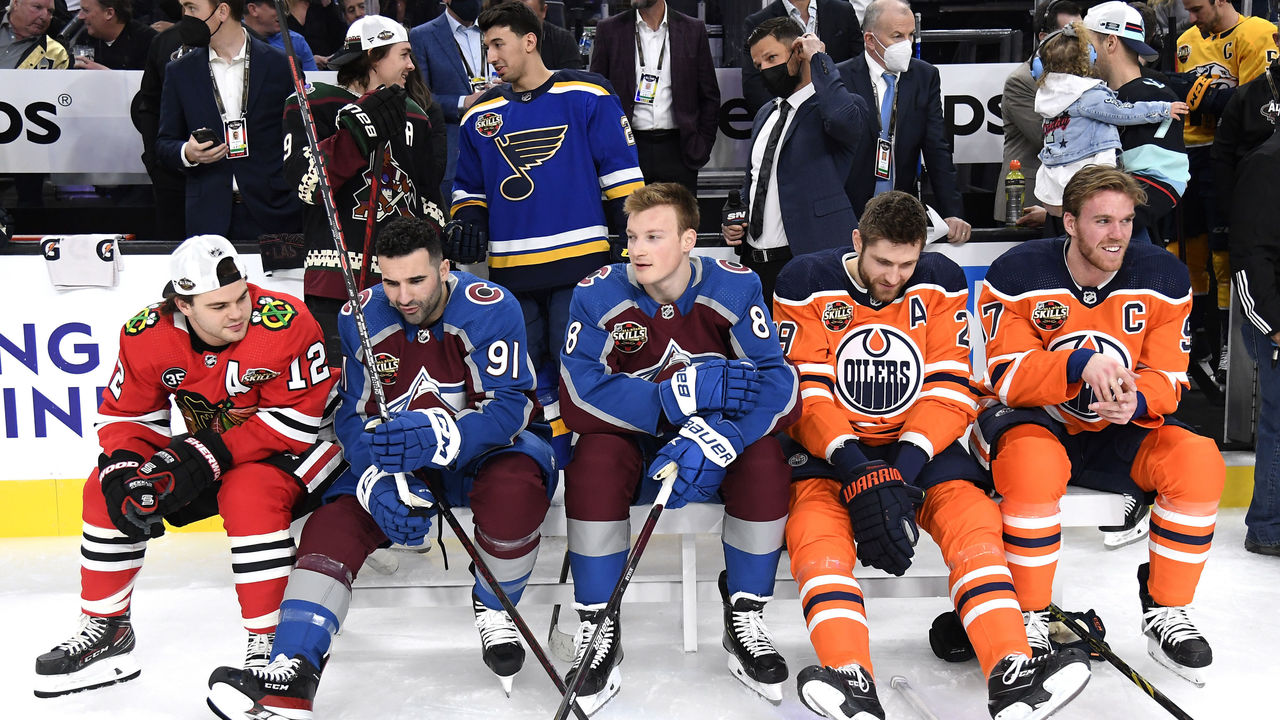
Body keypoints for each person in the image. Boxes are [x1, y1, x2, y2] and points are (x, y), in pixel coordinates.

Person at [205, 216, 555, 717]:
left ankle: (495, 606)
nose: (403, 296)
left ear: (445, 268)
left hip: (486, 451)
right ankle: (294, 670)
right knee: (334, 520)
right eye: (390, 281)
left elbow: (510, 406)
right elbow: (351, 416)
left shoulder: (491, 307)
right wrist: (376, 477)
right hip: (397, 459)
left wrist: (440, 434)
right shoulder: (361, 314)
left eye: (416, 280)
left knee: (517, 487)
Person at [773, 190, 1090, 720]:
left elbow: (949, 386)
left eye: (906, 262)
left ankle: (1012, 672)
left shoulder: (939, 279)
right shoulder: (804, 281)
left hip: (918, 449)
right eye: (882, 262)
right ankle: (849, 675)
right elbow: (807, 393)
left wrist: (899, 473)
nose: (894, 275)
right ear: (857, 241)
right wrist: (858, 469)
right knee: (814, 532)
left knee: (974, 521)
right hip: (831, 453)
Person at [33, 235, 344, 699]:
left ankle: (270, 646)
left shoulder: (284, 322)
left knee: (249, 493)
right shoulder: (148, 335)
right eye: (219, 306)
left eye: (241, 296)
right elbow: (128, 417)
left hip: (315, 443)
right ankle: (108, 629)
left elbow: (293, 424)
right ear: (183, 304)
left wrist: (201, 457)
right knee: (105, 488)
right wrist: (124, 465)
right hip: (223, 448)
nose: (237, 312)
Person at [972, 164, 1225, 687]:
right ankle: (1032, 614)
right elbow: (1008, 375)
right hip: (1037, 422)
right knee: (1032, 467)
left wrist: (1136, 400)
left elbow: (1170, 379)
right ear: (1068, 223)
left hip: (1118, 432)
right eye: (1102, 221)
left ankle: (1166, 608)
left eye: (1126, 222)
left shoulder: (1163, 275)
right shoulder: (1018, 272)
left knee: (1198, 460)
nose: (1117, 235)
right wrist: (1075, 364)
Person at [558, 182, 799, 713]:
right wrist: (675, 397)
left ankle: (745, 614)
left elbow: (779, 384)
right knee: (592, 462)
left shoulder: (734, 288)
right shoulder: (597, 293)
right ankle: (598, 625)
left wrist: (727, 434)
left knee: (764, 461)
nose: (637, 250)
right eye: (631, 237)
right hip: (637, 447)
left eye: (653, 236)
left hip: (712, 449)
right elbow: (577, 395)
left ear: (689, 240)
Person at [450, 1, 643, 392]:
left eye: (499, 44)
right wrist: (468, 218)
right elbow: (469, 186)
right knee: (521, 382)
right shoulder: (479, 113)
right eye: (487, 47)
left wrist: (631, 235)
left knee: (580, 374)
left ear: (530, 41)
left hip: (580, 265)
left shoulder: (588, 93)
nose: (492, 57)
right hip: (509, 273)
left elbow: (621, 175)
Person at [284, 14, 447, 362]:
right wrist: (356, 134)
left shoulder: (416, 115)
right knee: (338, 388)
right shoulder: (313, 101)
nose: (411, 65)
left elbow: (429, 203)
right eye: (403, 55)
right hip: (336, 283)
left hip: (403, 288)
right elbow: (308, 184)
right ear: (374, 56)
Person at [1172, 0, 1278, 386]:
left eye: (1198, 8)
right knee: (1186, 252)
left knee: (1224, 255)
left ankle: (1228, 352)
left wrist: (1210, 98)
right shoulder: (1186, 39)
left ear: (1222, 1)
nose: (1192, 19)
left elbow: (1256, 103)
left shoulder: (1257, 33)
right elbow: (1183, 99)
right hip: (1187, 155)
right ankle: (1195, 347)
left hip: (1231, 155)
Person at [723, 18, 867, 301]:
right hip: (756, 264)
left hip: (813, 260)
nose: (764, 69)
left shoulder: (842, 106)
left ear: (798, 52)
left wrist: (819, 59)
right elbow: (756, 179)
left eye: (771, 57)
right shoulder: (766, 113)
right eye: (758, 64)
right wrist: (735, 216)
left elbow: (842, 120)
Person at [156, 0, 304, 241]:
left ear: (222, 11)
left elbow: (301, 139)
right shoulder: (180, 71)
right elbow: (164, 143)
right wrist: (189, 152)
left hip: (276, 212)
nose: (185, 16)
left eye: (192, 8)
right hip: (208, 216)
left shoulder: (281, 65)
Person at [837, 0, 971, 244]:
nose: (906, 44)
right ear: (869, 40)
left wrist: (952, 212)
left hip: (900, 214)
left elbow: (937, 148)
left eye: (910, 35)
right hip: (847, 212)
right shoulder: (839, 78)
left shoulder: (924, 76)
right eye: (897, 36)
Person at [1031, 21, 1188, 216]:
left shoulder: (1046, 96)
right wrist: (1163, 109)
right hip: (1091, 176)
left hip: (1054, 181)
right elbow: (1123, 113)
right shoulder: (1088, 94)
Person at [588, 0, 719, 194]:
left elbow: (709, 96)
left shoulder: (693, 29)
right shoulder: (609, 30)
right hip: (628, 149)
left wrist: (701, 146)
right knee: (630, 222)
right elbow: (596, 94)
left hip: (679, 150)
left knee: (679, 222)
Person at [1084, 1, 1189, 244]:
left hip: (1125, 246)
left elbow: (1161, 186)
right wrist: (1058, 211)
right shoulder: (1092, 98)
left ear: (1110, 42)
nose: (1081, 53)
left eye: (1087, 44)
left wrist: (1089, 217)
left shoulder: (1155, 98)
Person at [1230, 123, 1280, 557]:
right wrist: (1275, 324)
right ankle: (1268, 527)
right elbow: (1249, 255)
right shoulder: (1266, 162)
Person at [996, 0, 1082, 228]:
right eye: (1071, 36)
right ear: (1044, 37)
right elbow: (1051, 139)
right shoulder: (1021, 81)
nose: (1079, 43)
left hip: (1072, 196)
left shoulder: (1087, 78)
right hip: (1028, 199)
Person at [410, 0, 493, 201]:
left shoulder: (496, 29)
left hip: (498, 141)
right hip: (453, 148)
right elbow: (419, 95)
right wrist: (463, 102)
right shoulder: (422, 36)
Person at [740, 0, 861, 115]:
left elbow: (859, 66)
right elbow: (754, 87)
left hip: (842, 111)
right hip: (789, 118)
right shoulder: (757, 22)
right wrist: (786, 116)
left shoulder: (843, 11)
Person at [74, 0, 157, 69]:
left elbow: (148, 85)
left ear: (109, 13)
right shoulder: (85, 39)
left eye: (86, 11)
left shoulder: (148, 40)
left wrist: (105, 75)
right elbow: (79, 73)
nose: (80, 16)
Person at [243, 0, 318, 71]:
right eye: (275, 6)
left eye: (283, 6)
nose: (284, 12)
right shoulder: (234, 39)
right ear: (253, 9)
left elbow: (314, 82)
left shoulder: (296, 41)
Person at [0, 0, 68, 69]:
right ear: (16, 3)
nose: (44, 17)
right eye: (38, 7)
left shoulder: (56, 54)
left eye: (50, 11)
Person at [520, 0, 580, 70]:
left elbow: (572, 78)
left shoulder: (564, 40)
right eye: (515, 18)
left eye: (530, 18)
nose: (522, 25)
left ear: (544, 11)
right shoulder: (504, 40)